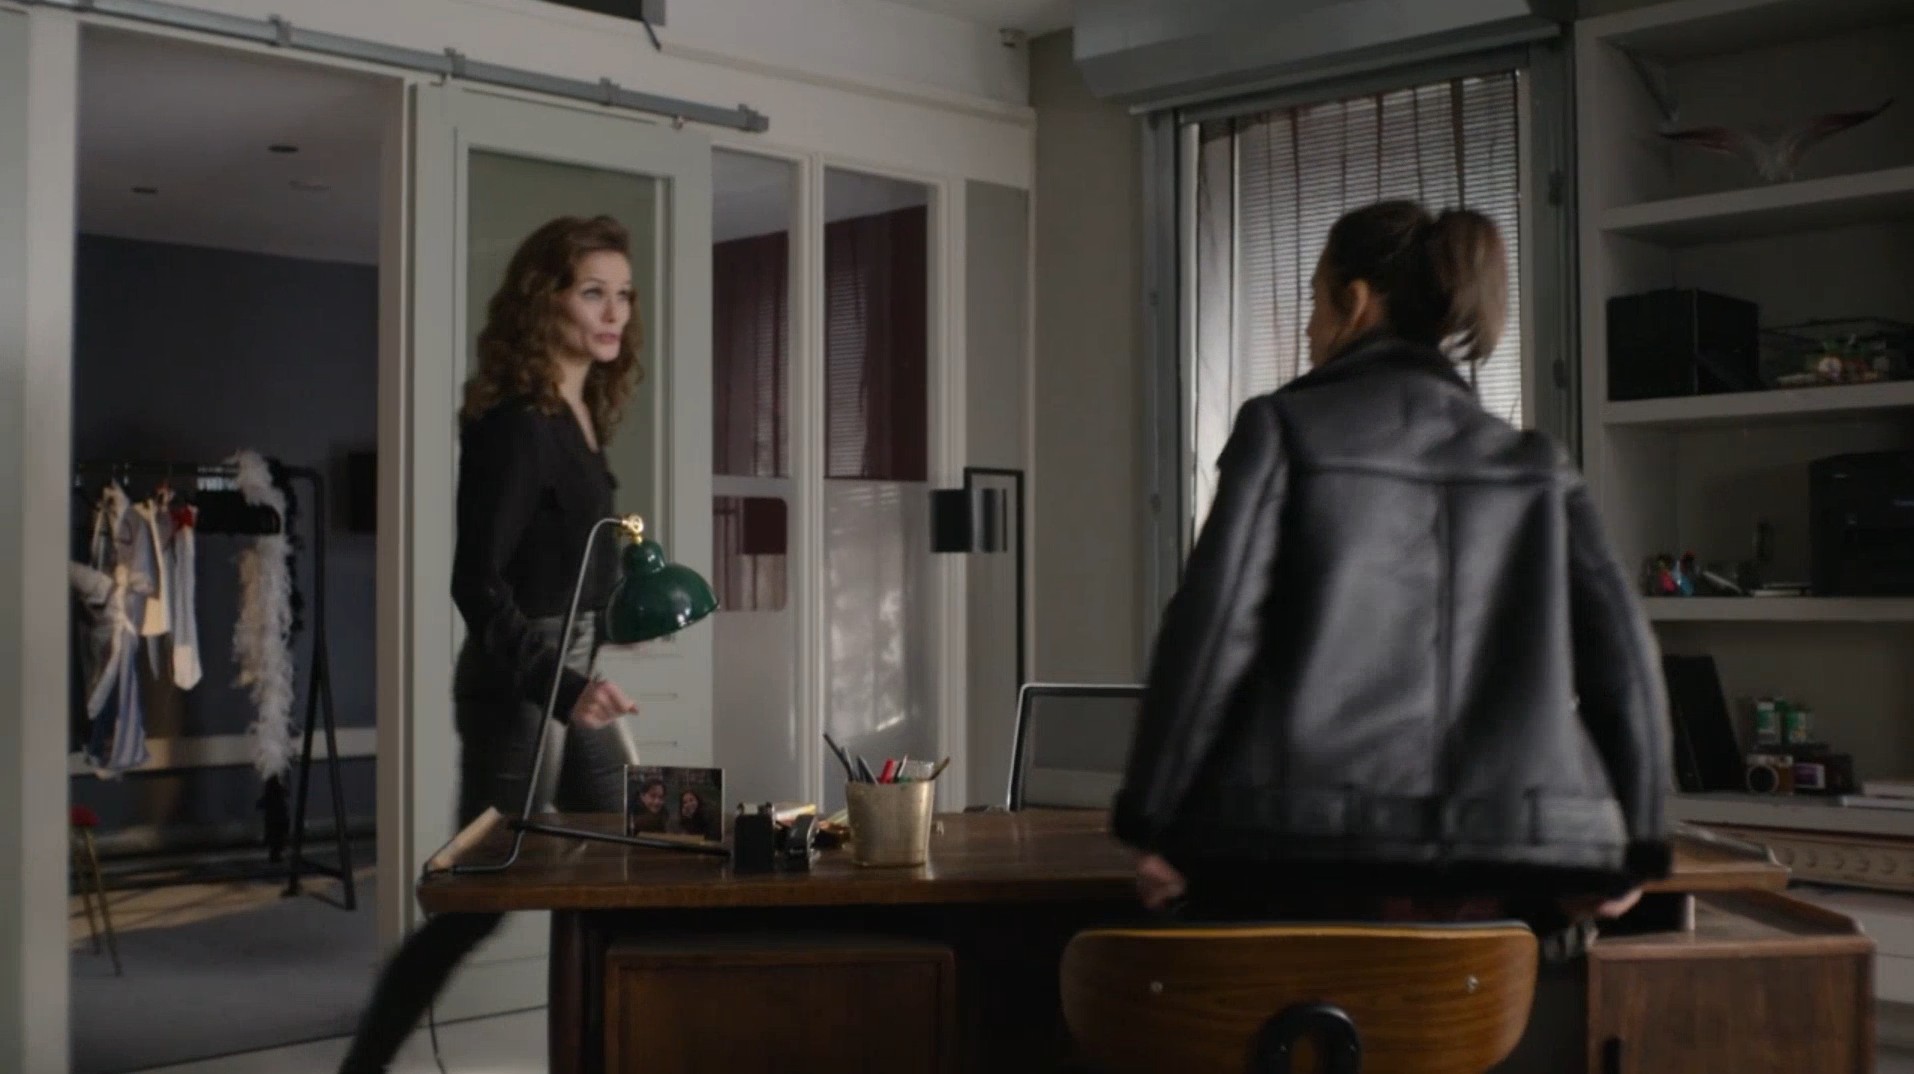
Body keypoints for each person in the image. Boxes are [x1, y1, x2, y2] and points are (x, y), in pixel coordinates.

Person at [1113, 199, 1672, 951]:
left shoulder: (1283, 430)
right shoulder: (1533, 463)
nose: (1308, 329)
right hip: (1501, 877)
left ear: (1354, 302)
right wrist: (1638, 843)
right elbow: (1625, 659)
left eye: (1314, 300)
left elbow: (1214, 629)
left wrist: (1153, 818)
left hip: (1298, 854)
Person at [336, 214, 647, 1074]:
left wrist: (627, 612)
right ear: (544, 300)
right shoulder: (517, 424)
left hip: (571, 672)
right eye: (593, 292)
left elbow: (567, 564)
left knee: (636, 861)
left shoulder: (581, 412)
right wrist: (563, 684)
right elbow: (476, 581)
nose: (615, 312)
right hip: (521, 688)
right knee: (477, 904)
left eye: (624, 295)